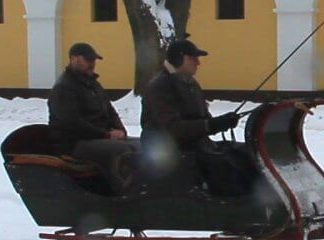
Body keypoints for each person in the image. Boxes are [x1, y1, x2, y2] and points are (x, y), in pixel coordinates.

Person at [140, 38, 253, 195]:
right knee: (222, 165)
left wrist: (222, 122)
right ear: (179, 59)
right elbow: (171, 128)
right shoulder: (159, 87)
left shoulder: (190, 83)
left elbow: (203, 118)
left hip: (197, 144)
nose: (198, 63)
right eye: (193, 58)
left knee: (245, 153)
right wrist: (211, 125)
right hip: (170, 148)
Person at [48, 42, 134, 193]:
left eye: (93, 60)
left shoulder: (93, 84)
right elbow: (73, 124)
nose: (92, 64)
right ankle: (121, 194)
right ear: (73, 59)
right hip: (75, 143)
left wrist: (121, 130)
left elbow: (109, 110)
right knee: (122, 151)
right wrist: (107, 134)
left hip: (98, 137)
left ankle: (144, 190)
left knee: (142, 145)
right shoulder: (64, 87)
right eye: (88, 60)